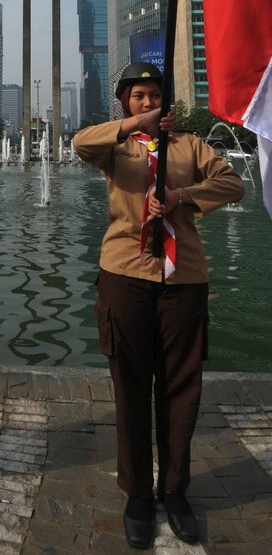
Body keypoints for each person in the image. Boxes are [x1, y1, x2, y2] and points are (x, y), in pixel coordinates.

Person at [73, 62, 244, 550]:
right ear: (125, 103)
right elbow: (80, 144)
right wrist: (134, 127)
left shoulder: (191, 146)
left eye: (153, 96)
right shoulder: (116, 148)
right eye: (138, 97)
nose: (147, 103)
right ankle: (138, 493)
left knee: (180, 386)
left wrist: (181, 195)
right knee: (129, 385)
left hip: (182, 275)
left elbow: (233, 184)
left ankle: (175, 489)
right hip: (125, 273)